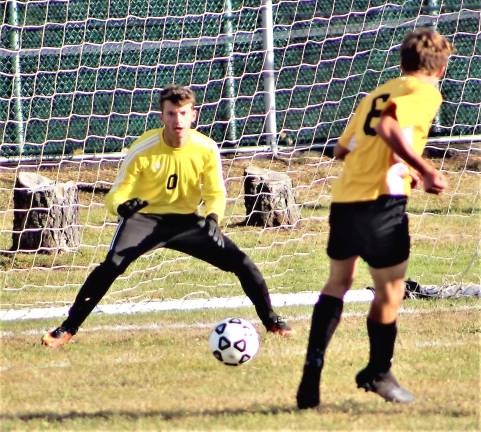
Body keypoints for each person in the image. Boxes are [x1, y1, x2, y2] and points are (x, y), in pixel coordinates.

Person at [42, 84, 293, 348]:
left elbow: (216, 192)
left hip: (186, 221)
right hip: (144, 219)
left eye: (183, 113)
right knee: (111, 267)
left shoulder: (206, 148)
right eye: (171, 114)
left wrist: (213, 218)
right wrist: (123, 208)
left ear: (194, 115)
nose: (178, 120)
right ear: (162, 117)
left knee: (242, 263)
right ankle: (67, 328)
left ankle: (272, 321)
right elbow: (115, 194)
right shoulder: (143, 148)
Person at [296, 28, 453, 408]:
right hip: (382, 203)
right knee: (391, 290)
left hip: (346, 199)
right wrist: (425, 169)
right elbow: (388, 127)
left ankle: (310, 375)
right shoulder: (425, 91)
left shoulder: (378, 92)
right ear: (441, 67)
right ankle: (378, 371)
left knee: (338, 283)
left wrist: (402, 165)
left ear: (402, 60)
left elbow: (342, 149)